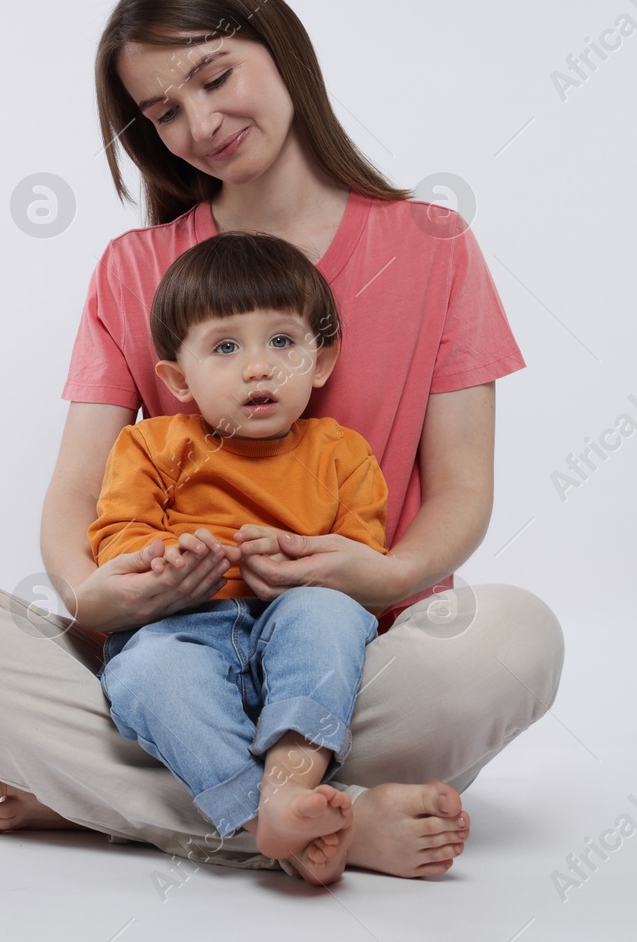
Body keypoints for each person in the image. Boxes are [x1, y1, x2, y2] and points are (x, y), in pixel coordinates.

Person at [0, 0, 565, 880]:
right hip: (173, 653)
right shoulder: (132, 267)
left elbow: (463, 489)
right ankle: (329, 822)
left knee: (516, 638)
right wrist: (93, 594)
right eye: (162, 111)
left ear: (279, 45)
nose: (200, 124)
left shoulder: (433, 247)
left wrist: (383, 572)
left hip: (355, 663)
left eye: (214, 75)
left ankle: (113, 800)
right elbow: (76, 494)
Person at [90, 230, 388, 885]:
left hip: (294, 629)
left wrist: (305, 562)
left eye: (283, 342)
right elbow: (117, 542)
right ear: (178, 379)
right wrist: (171, 561)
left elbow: (362, 563)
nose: (260, 367)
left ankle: (290, 781)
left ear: (321, 362)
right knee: (147, 675)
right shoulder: (151, 445)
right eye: (225, 347)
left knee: (328, 617)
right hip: (181, 629)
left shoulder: (343, 453)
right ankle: (266, 821)